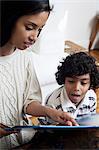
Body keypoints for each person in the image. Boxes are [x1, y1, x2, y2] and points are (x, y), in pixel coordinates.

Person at [0, 0, 78, 149]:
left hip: (25, 142)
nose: (34, 37)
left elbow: (28, 103)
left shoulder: (25, 58)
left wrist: (49, 112)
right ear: (9, 18)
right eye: (30, 27)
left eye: (40, 30)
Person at [45, 52, 99, 124]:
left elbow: (90, 122)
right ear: (63, 80)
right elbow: (48, 130)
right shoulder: (53, 102)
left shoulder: (91, 98)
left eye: (83, 83)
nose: (76, 88)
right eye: (71, 81)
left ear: (90, 83)